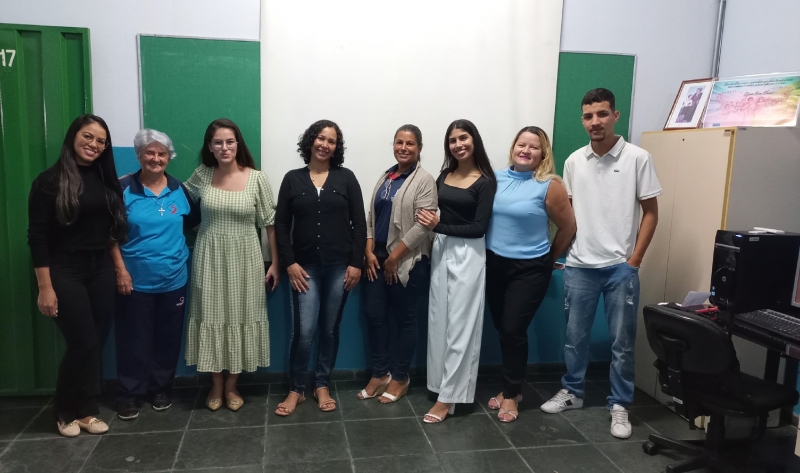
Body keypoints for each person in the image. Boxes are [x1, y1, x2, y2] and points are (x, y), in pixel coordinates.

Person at [539, 88, 661, 439]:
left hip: (620, 268)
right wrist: (559, 255)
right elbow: (567, 216)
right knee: (574, 338)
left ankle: (619, 404)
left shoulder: (638, 158)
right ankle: (573, 391)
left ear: (615, 116)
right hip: (579, 266)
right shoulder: (574, 161)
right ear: (583, 120)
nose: (596, 121)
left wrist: (634, 259)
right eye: (589, 116)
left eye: (602, 114)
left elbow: (651, 213)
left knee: (622, 342)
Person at [27, 114, 128, 437]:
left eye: (101, 141)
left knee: (94, 342)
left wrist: (118, 268)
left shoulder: (104, 178)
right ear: (73, 136)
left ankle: (86, 410)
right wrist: (45, 287)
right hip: (63, 269)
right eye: (88, 136)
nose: (94, 145)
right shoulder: (49, 181)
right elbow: (37, 236)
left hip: (99, 268)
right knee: (82, 343)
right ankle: (64, 411)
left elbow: (110, 232)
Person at [183, 118, 280, 412]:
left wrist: (275, 263)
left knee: (241, 315)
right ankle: (215, 385)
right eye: (218, 142)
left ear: (238, 144)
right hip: (209, 257)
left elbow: (270, 224)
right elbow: (178, 202)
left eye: (229, 141)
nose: (224, 147)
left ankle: (232, 386)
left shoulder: (257, 179)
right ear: (210, 147)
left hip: (247, 258)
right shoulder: (202, 174)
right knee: (211, 315)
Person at [274, 119, 366, 416]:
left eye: (332, 141)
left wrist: (356, 263)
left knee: (329, 329)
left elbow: (359, 222)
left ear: (337, 147)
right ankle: (296, 389)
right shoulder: (292, 179)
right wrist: (289, 263)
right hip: (304, 270)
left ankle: (322, 384)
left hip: (340, 267)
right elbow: (281, 224)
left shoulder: (346, 178)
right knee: (304, 331)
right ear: (311, 141)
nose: (325, 144)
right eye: (321, 138)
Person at [484, 126, 576, 422]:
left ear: (543, 153)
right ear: (513, 147)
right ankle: (511, 387)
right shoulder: (495, 178)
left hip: (530, 269)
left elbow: (568, 227)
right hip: (493, 264)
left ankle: (512, 394)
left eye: (533, 147)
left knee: (513, 329)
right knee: (503, 328)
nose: (525, 150)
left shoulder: (550, 185)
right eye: (521, 144)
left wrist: (550, 259)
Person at [110, 129, 200, 420]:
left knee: (168, 339)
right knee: (133, 340)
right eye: (150, 152)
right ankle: (129, 394)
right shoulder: (122, 188)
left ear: (168, 158)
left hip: (174, 280)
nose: (156, 158)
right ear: (139, 155)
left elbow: (196, 223)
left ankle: (161, 389)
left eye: (162, 154)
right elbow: (109, 235)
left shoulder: (179, 189)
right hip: (134, 281)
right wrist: (120, 272)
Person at [416, 119, 496, 423]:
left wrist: (438, 227)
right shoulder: (444, 175)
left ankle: (450, 396)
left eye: (463, 138)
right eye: (453, 140)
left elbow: (478, 228)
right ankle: (439, 385)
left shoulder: (485, 181)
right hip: (442, 249)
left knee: (462, 326)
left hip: (469, 253)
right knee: (439, 321)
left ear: (474, 141)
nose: (458, 144)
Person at [359, 124, 437, 403]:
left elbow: (423, 226)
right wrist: (369, 251)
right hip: (376, 260)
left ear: (419, 148)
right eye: (399, 142)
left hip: (408, 262)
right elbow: (371, 217)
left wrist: (394, 258)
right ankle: (380, 373)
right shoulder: (386, 176)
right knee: (375, 315)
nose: (403, 148)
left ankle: (400, 377)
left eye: (410, 143)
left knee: (405, 319)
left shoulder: (425, 180)